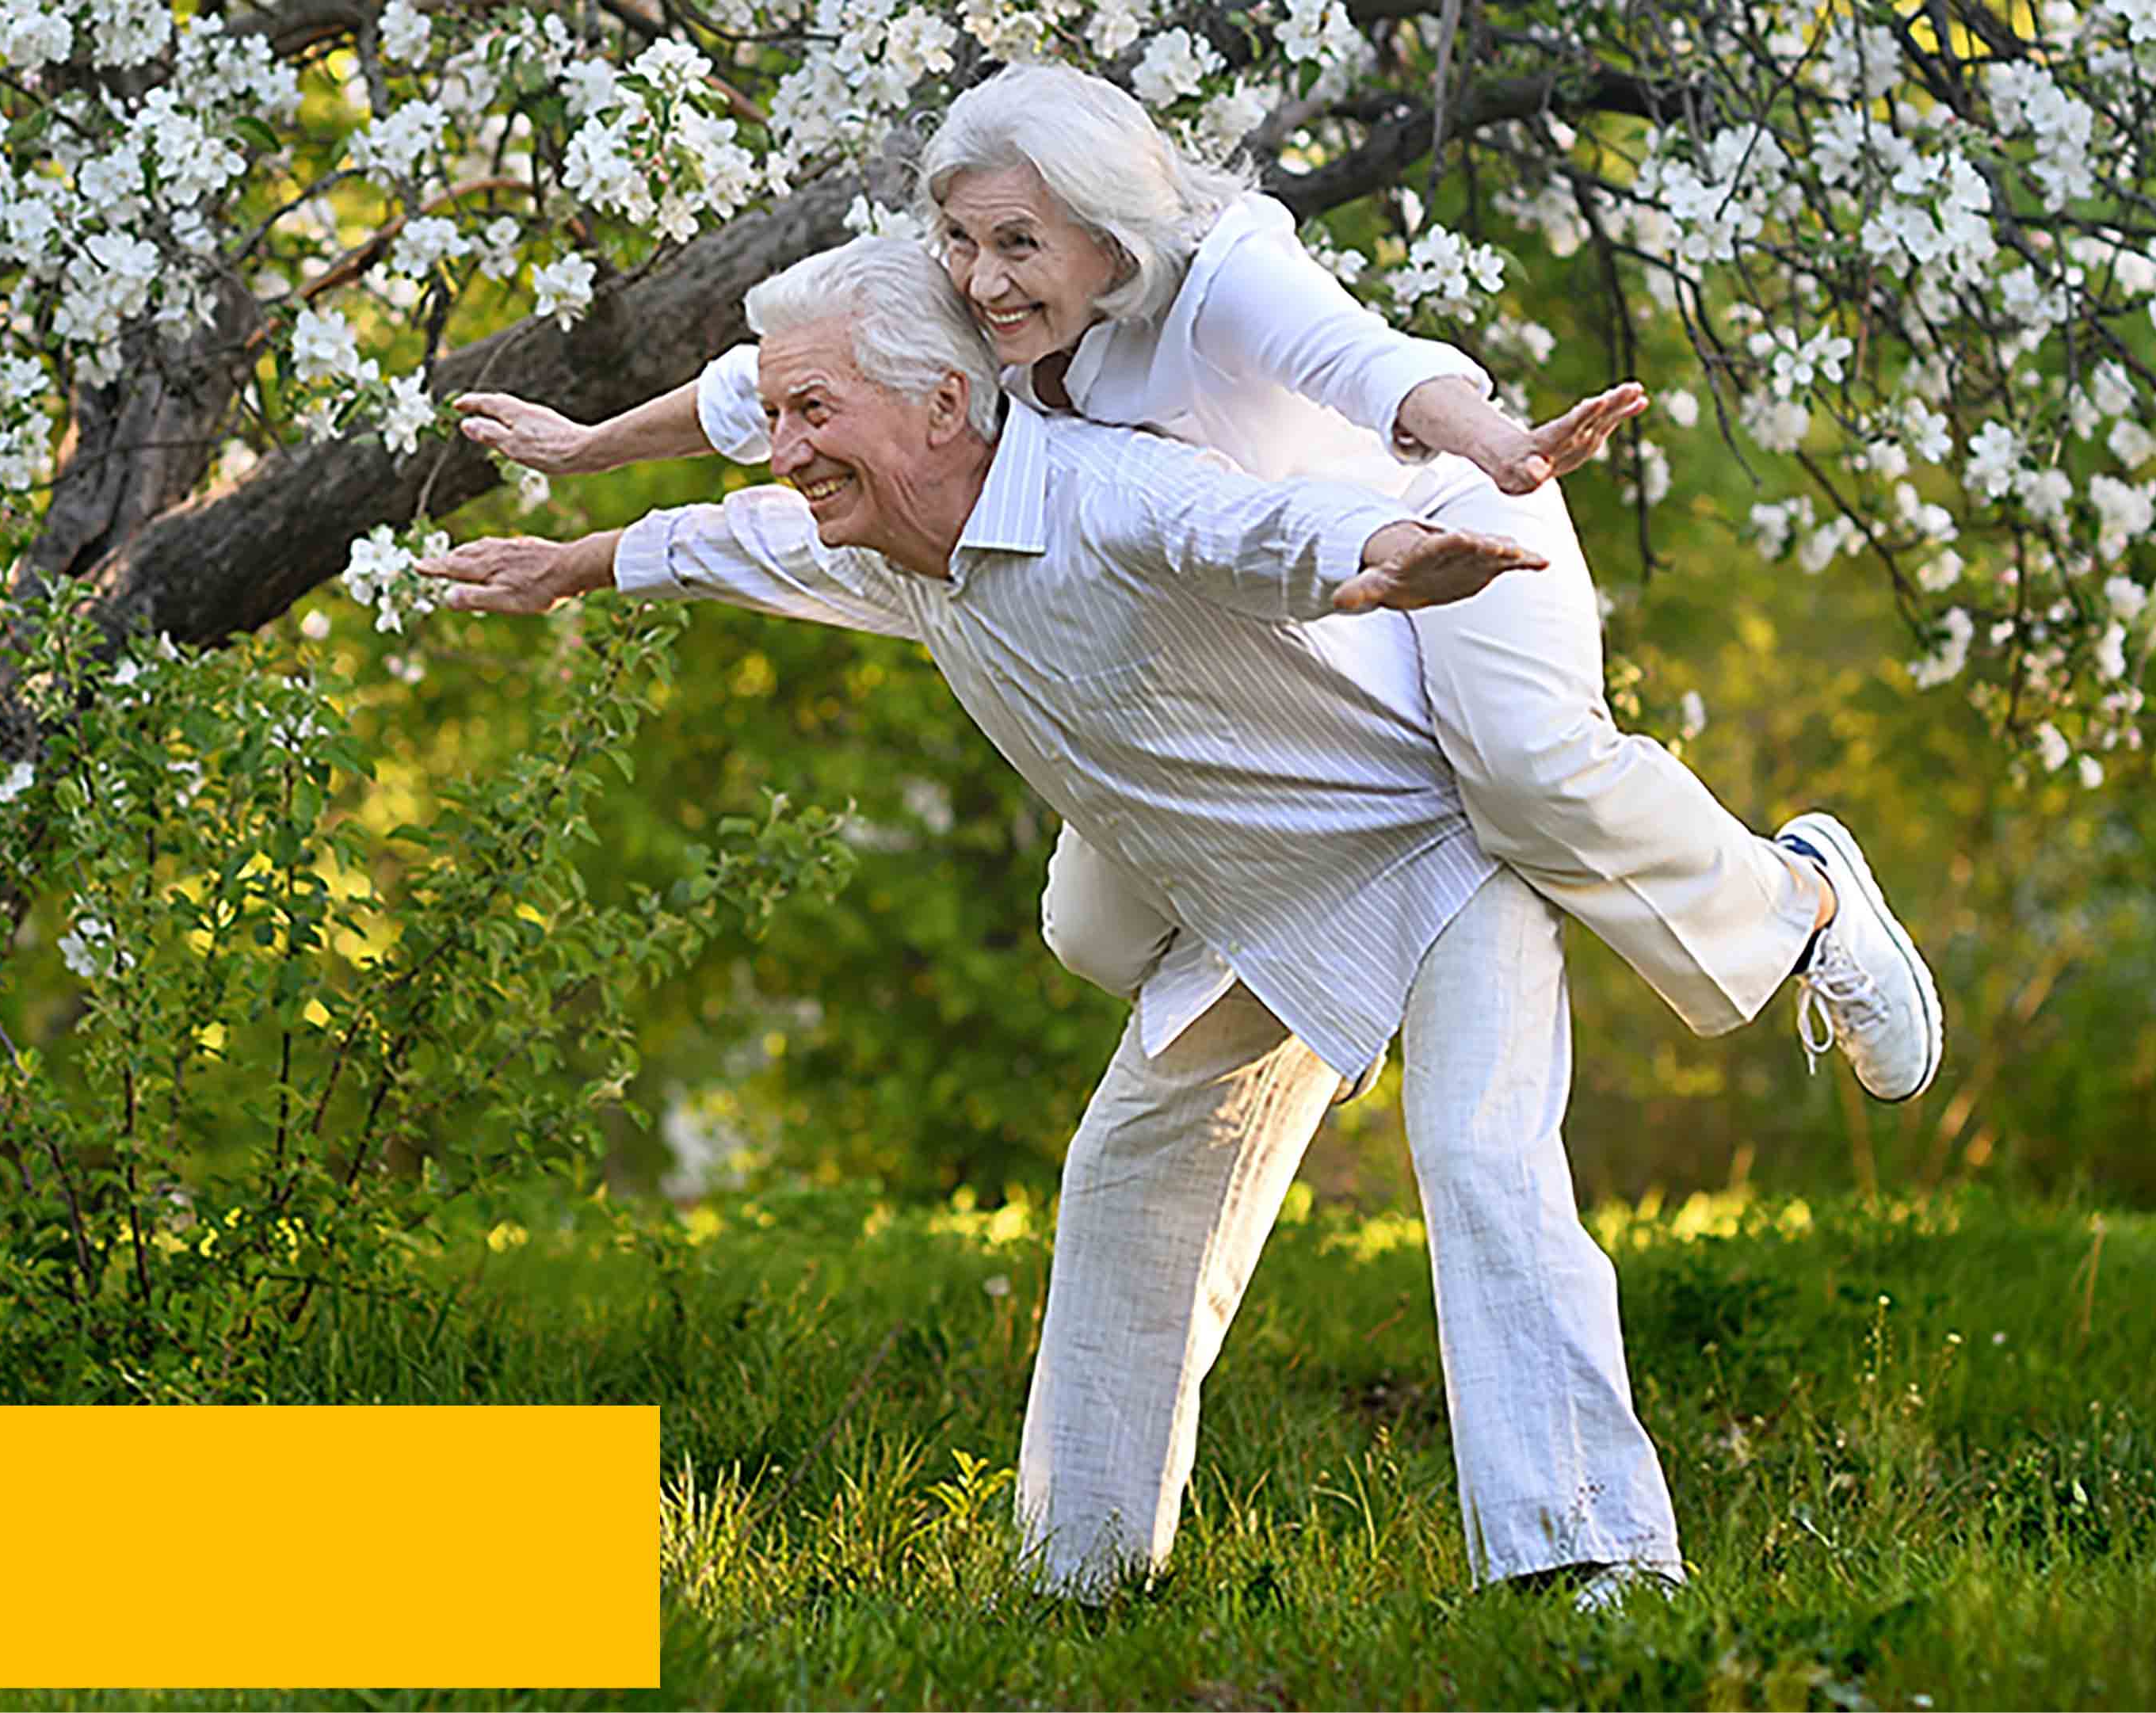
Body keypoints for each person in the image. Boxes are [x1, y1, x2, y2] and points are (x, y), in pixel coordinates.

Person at [425, 235, 1686, 1606]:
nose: (782, 451)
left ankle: (1595, 1559)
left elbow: (1252, 528)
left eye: (812, 413)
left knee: (1476, 1156)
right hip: (1256, 909)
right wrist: (573, 563)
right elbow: (730, 540)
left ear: (942, 407)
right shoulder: (889, 542)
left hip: (1437, 851)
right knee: (1127, 1179)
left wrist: (1387, 551)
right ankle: (1078, 1575)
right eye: (774, 416)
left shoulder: (1101, 490)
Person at [458, 61, 1940, 1103]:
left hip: (1437, 538)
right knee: (1092, 934)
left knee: (1529, 777)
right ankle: (1302, 949)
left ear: (1109, 230)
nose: (979, 280)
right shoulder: (990, 317)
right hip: (1252, 627)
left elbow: (1372, 369)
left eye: (1017, 244)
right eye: (960, 242)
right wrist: (589, 460)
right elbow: (760, 394)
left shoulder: (1225, 270)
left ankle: (1804, 902)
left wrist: (1504, 452)